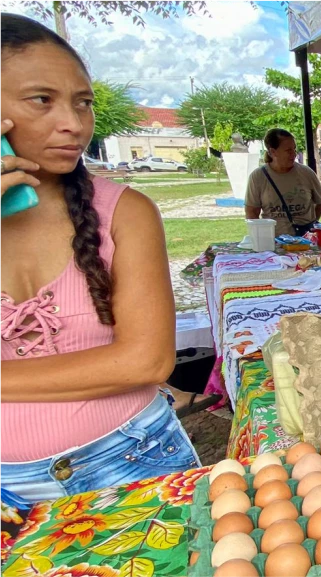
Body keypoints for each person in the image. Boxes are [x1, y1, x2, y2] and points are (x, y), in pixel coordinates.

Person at [0, 14, 199, 504]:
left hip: (131, 457)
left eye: (83, 102)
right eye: (42, 100)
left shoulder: (125, 213)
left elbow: (146, 360)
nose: (74, 123)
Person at [245, 128, 321, 237]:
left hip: (305, 241)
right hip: (275, 241)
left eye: (294, 149)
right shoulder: (258, 176)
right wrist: (259, 237)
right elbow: (252, 212)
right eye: (288, 150)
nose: (294, 154)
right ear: (273, 152)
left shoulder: (306, 173)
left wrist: (312, 223)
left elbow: (320, 201)